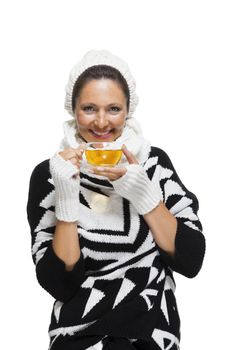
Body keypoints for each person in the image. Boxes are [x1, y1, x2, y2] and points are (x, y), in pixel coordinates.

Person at [26, 50, 206, 350]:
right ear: (73, 110)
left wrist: (145, 196)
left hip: (151, 331)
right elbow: (59, 283)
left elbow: (191, 259)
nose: (100, 122)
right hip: (78, 335)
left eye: (113, 109)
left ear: (128, 110)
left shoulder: (153, 164)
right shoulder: (50, 175)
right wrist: (67, 199)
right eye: (88, 108)